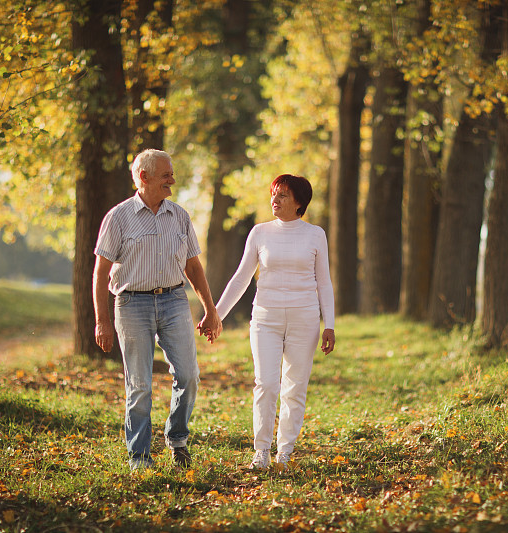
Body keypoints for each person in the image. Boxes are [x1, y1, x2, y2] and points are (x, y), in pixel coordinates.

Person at [93, 149, 222, 471]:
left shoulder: (179, 215)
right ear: (144, 177)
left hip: (174, 300)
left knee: (189, 375)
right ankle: (139, 455)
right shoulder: (118, 217)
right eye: (166, 175)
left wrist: (211, 310)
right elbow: (99, 273)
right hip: (131, 303)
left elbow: (193, 266)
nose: (173, 180)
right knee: (139, 384)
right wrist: (102, 321)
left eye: (172, 174)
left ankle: (177, 439)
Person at [213, 174, 335, 471]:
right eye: (274, 194)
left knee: (294, 387)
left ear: (298, 202)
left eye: (282, 195)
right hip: (265, 318)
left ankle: (285, 451)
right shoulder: (259, 232)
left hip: (304, 319)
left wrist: (329, 324)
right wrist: (216, 314)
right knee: (266, 384)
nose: (275, 200)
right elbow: (242, 277)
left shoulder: (315, 234)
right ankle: (261, 450)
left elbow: (324, 283)